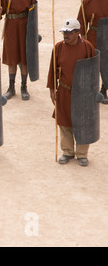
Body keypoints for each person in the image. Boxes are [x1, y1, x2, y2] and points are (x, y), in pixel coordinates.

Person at [47, 19, 95, 166]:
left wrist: (91, 93)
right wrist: (52, 89)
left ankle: (82, 153)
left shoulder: (87, 47)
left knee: (82, 122)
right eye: (64, 32)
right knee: (65, 121)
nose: (65, 35)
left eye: (69, 33)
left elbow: (93, 70)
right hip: (64, 90)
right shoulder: (59, 48)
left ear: (77, 33)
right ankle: (67, 151)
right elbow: (52, 70)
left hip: (82, 93)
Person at [77, 0, 108, 104]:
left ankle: (104, 89)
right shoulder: (88, 0)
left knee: (106, 63)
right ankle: (91, 90)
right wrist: (83, 38)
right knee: (92, 62)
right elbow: (82, 21)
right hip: (93, 34)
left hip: (107, 34)